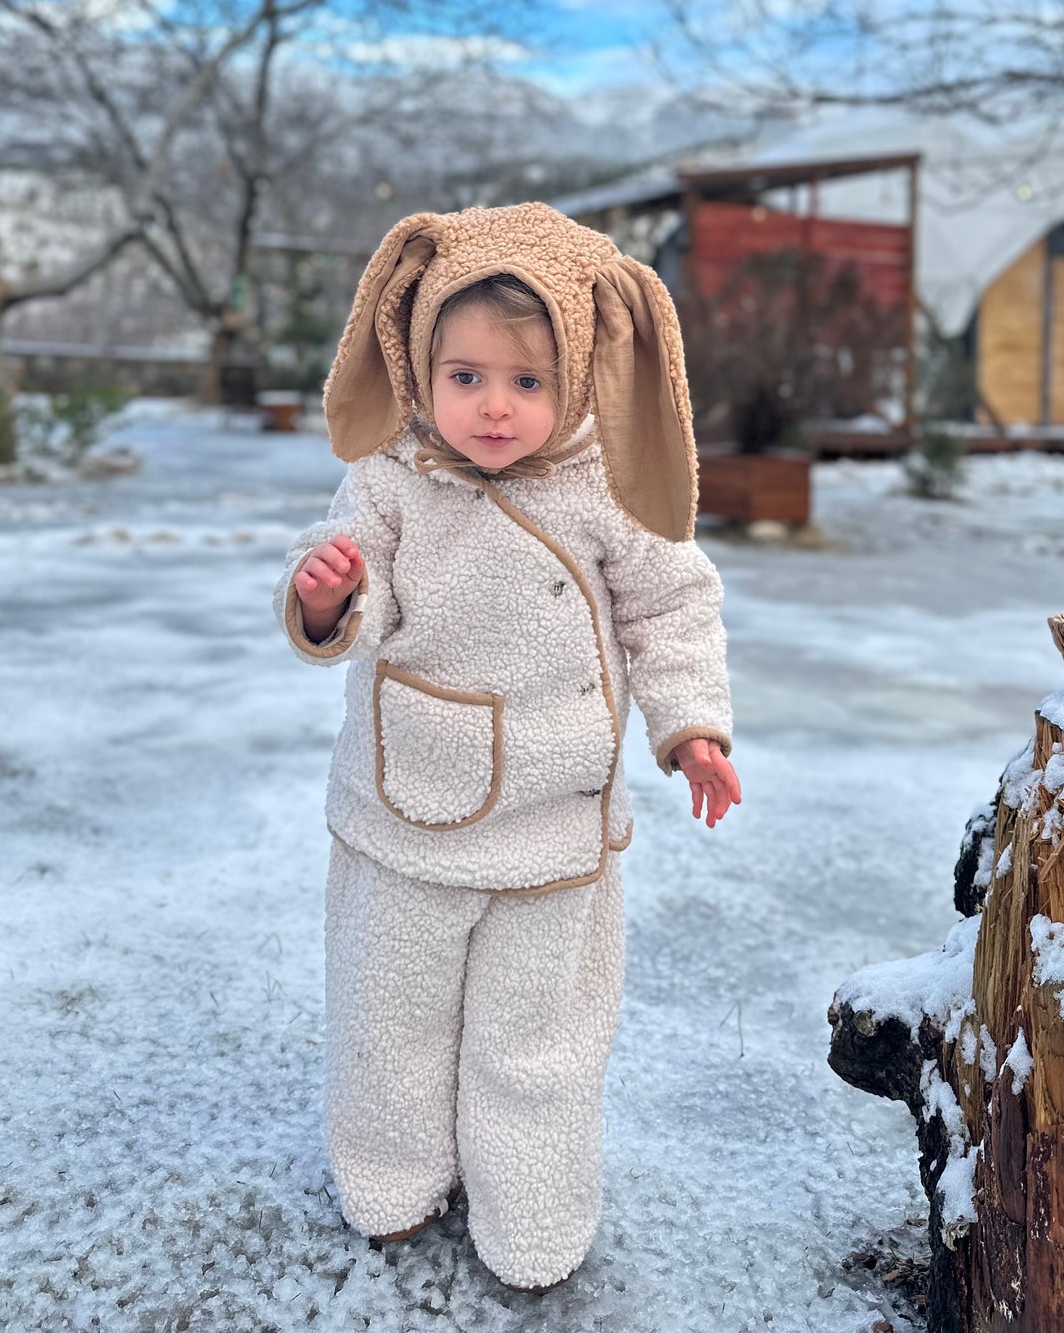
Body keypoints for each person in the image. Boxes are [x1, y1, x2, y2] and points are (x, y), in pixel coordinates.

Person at [273, 201, 740, 1293]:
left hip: (554, 827)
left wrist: (691, 728)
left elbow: (671, 608)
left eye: (527, 382)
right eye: (467, 375)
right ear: (419, 362)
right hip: (404, 809)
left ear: (575, 375)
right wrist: (329, 596)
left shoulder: (609, 485)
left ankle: (531, 1216)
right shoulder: (391, 474)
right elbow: (348, 583)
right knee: (388, 1017)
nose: (493, 407)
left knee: (538, 1041)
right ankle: (388, 1179)